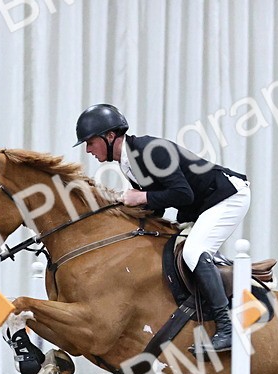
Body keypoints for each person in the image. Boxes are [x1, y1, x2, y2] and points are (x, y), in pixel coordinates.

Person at [75, 103, 250, 354]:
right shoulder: (129, 161)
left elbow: (182, 194)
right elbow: (157, 207)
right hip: (206, 202)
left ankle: (226, 327)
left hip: (228, 196)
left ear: (110, 136)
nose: (88, 149)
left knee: (193, 251)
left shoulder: (149, 151)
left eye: (90, 142)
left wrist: (141, 197)